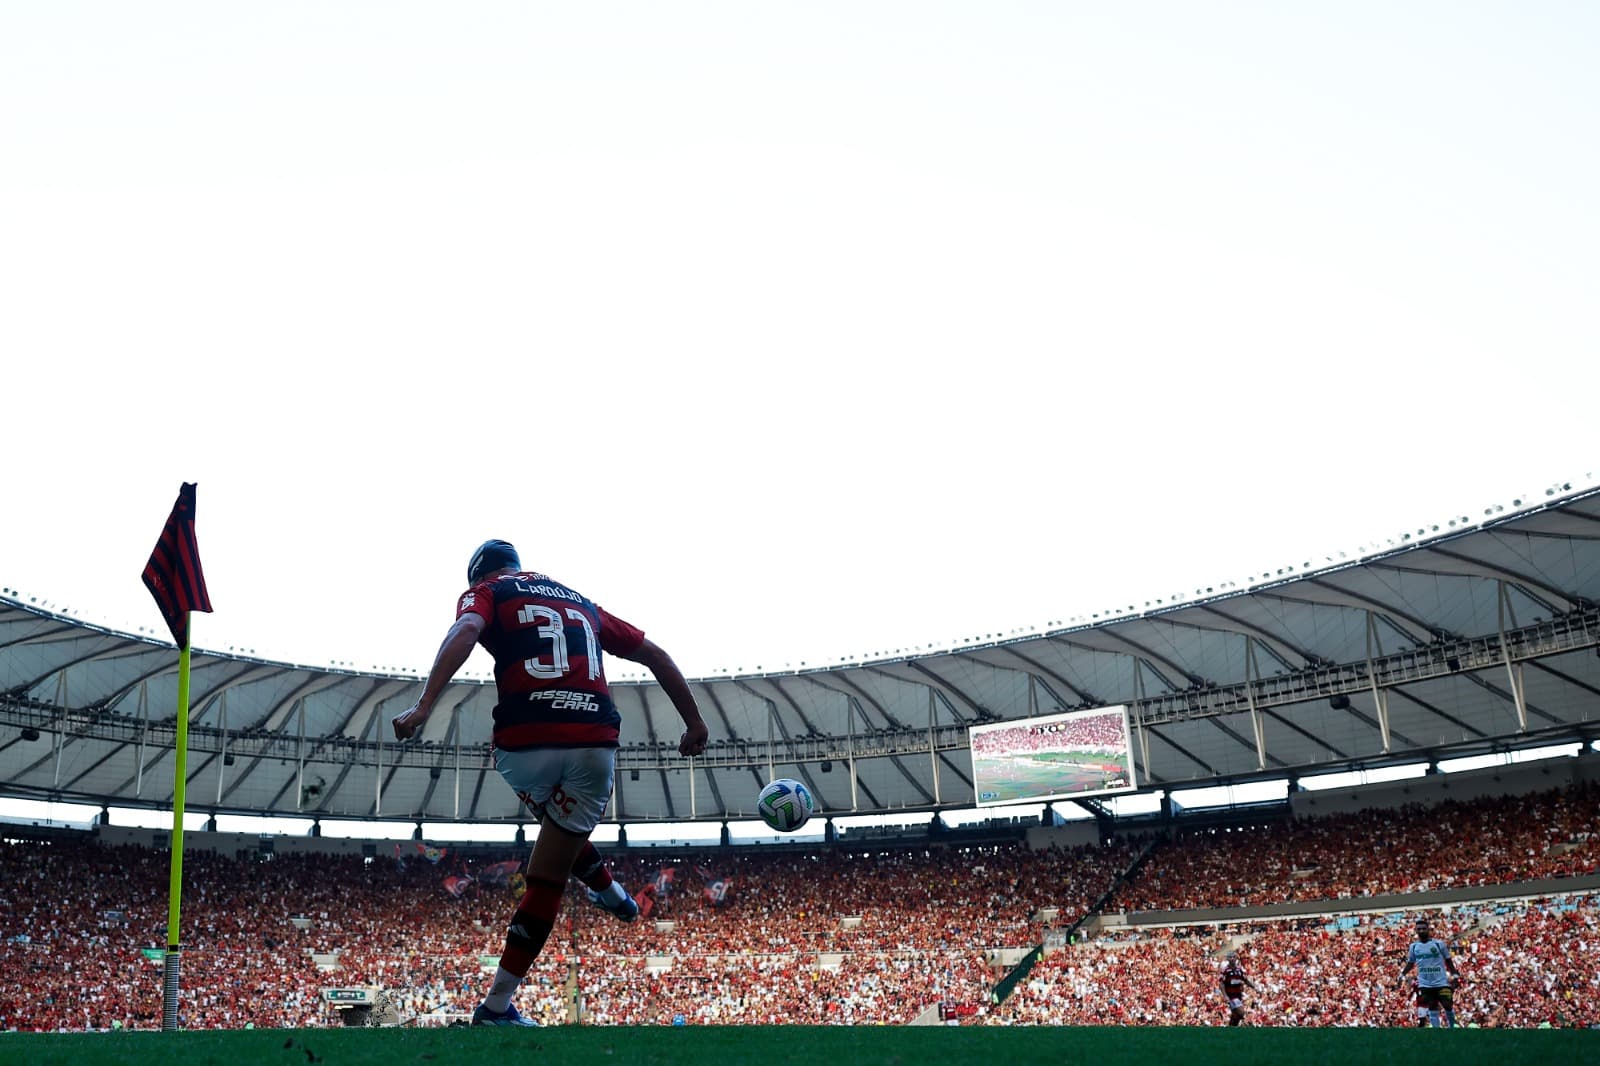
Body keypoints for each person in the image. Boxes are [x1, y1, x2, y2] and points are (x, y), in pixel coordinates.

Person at [392, 539, 709, 1027]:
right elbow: (655, 654)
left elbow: (467, 628)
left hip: (523, 745)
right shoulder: (580, 601)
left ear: (477, 575)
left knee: (547, 852)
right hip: (594, 742)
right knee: (555, 852)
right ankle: (606, 896)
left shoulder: (489, 590)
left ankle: (500, 1004)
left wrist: (426, 703)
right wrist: (694, 723)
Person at [1398, 917, 1461, 1028]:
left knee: (1447, 1004)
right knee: (1432, 1005)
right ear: (1416, 931)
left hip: (1441, 982)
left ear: (1428, 929)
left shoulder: (1439, 944)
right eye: (1419, 929)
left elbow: (1448, 961)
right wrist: (1402, 974)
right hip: (1425, 983)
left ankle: (1452, 1027)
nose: (1421, 931)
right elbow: (1411, 963)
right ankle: (1436, 1030)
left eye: (1423, 928)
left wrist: (1455, 975)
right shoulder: (1414, 947)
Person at [1220, 951, 1257, 1026]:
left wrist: (1254, 987)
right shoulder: (1225, 971)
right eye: (1230, 957)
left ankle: (1230, 1030)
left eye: (1233, 957)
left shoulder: (1239, 970)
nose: (1232, 959)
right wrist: (1225, 995)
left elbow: (1245, 980)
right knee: (1241, 1012)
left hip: (1239, 994)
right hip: (1231, 995)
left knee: (1237, 1016)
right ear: (1228, 959)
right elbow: (1221, 984)